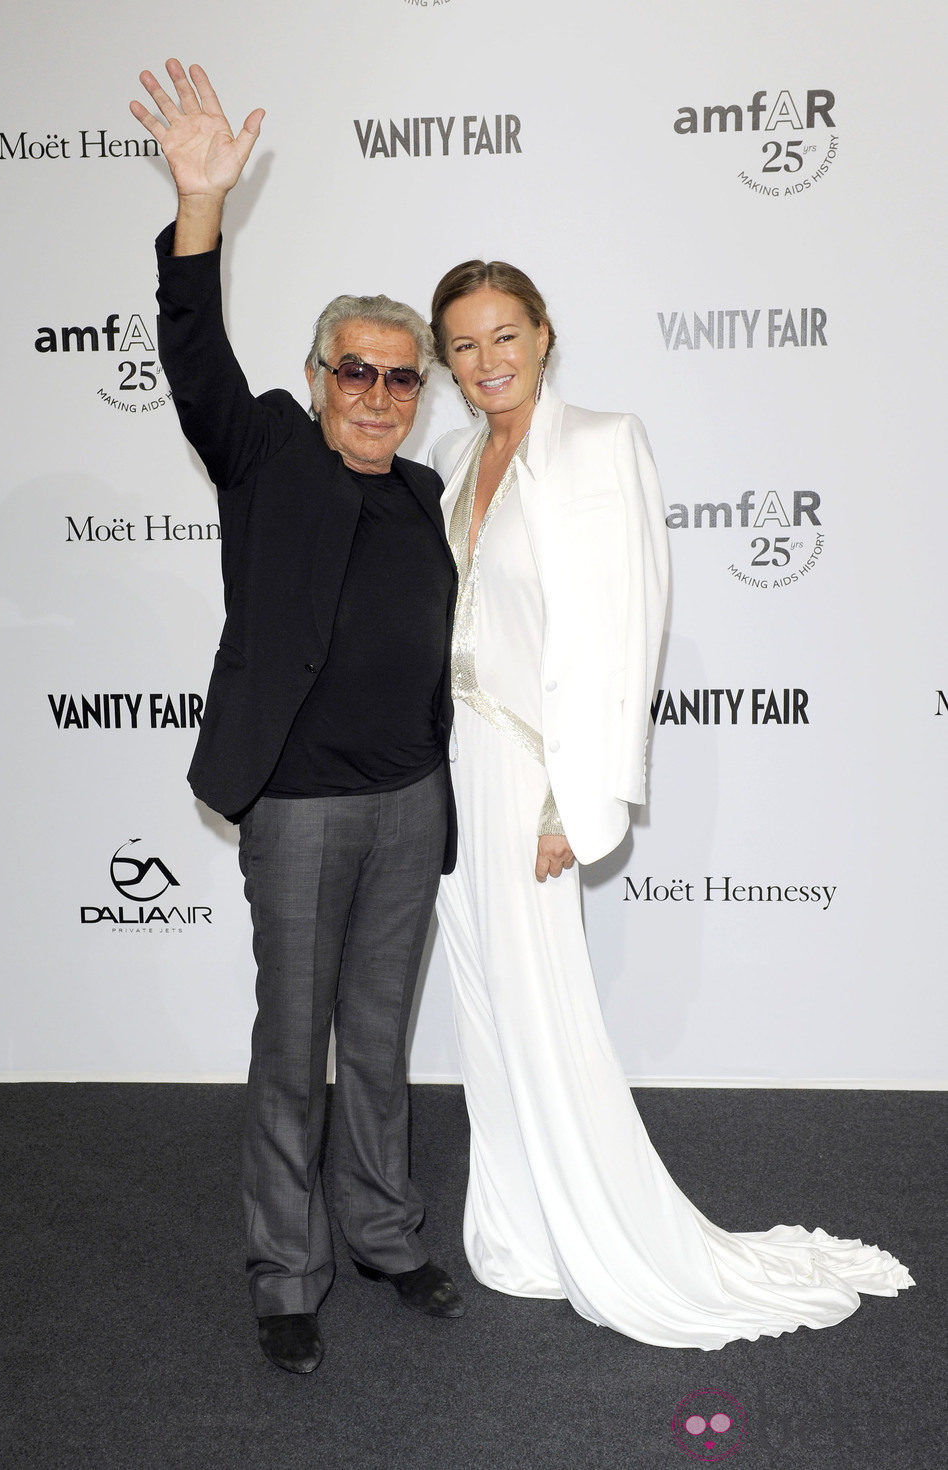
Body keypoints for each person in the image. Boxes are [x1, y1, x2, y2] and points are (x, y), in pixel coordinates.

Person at [428, 259, 913, 1347]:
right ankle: (517, 1231)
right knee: (483, 1012)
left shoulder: (602, 444)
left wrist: (574, 795)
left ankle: (607, 1236)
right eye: (463, 343)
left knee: (544, 1012)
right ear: (446, 361)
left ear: (545, 336)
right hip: (444, 766)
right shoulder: (453, 456)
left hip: (525, 772)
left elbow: (621, 632)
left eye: (506, 334)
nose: (487, 360)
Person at [130, 61, 464, 1376]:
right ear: (317, 375)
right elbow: (194, 355)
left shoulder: (427, 491)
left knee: (380, 1039)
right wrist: (200, 205)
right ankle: (286, 1268)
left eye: (401, 378)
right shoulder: (266, 446)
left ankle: (384, 1230)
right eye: (357, 372)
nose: (380, 394)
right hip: (302, 808)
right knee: (294, 1045)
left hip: (407, 801)